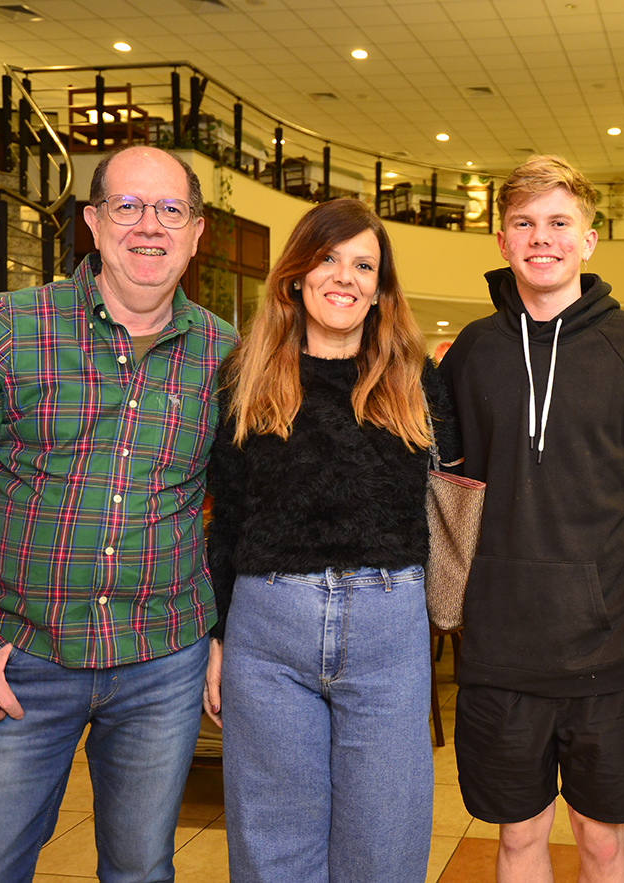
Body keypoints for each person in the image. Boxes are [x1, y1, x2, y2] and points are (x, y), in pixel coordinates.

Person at [0, 145, 236, 881]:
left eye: (171, 209)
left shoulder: (226, 354)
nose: (150, 225)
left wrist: (222, 631)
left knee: (141, 869)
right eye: (127, 206)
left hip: (163, 663)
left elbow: (241, 513)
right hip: (20, 659)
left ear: (196, 232)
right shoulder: (10, 328)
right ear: (93, 222)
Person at [202, 197, 457, 882]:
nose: (345, 276)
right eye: (328, 258)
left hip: (388, 631)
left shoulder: (415, 380)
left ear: (380, 288)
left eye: (363, 265)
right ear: (296, 273)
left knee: (386, 843)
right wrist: (218, 636)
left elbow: (456, 496)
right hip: (267, 631)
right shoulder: (246, 375)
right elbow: (228, 516)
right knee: (272, 847)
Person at [439, 155, 624, 883]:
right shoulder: (471, 352)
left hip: (609, 646)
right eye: (524, 223)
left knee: (601, 841)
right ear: (502, 240)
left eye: (558, 222)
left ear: (589, 239)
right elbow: (443, 494)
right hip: (499, 647)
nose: (542, 238)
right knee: (518, 839)